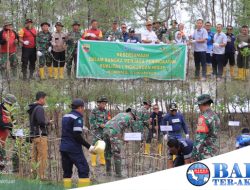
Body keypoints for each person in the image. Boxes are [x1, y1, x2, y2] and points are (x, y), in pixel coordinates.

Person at [60, 99, 95, 188]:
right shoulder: (78, 118)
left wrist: (81, 127)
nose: (83, 110)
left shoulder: (65, 116)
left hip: (63, 148)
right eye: (83, 108)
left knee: (67, 172)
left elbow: (68, 128)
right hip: (73, 148)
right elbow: (76, 135)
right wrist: (89, 146)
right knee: (84, 169)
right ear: (79, 107)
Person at [103, 108, 137, 177]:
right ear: (133, 115)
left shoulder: (120, 114)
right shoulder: (130, 118)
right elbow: (129, 131)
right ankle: (118, 174)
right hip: (113, 132)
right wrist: (126, 139)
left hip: (105, 129)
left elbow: (121, 127)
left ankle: (108, 172)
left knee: (107, 151)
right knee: (117, 153)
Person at [27, 91, 51, 179]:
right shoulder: (39, 108)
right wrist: (47, 122)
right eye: (45, 98)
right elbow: (41, 122)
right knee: (42, 157)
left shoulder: (32, 108)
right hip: (40, 136)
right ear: (41, 99)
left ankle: (33, 175)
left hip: (33, 136)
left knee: (34, 157)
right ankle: (41, 176)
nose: (45, 100)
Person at [192, 94, 220, 161]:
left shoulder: (203, 118)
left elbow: (199, 139)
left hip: (205, 153)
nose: (199, 107)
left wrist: (194, 154)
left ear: (202, 104)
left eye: (199, 105)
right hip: (215, 151)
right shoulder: (215, 116)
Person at [89, 96, 109, 167]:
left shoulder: (106, 111)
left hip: (104, 130)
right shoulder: (94, 111)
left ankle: (102, 160)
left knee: (103, 145)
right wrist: (99, 125)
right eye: (103, 103)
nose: (104, 105)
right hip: (96, 130)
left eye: (105, 104)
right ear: (99, 103)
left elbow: (108, 119)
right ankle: (93, 161)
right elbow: (91, 121)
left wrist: (106, 124)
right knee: (94, 145)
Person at [0, 94, 17, 171]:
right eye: (10, 104)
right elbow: (1, 123)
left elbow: (13, 124)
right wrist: (9, 125)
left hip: (3, 137)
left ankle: (1, 167)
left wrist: (16, 135)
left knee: (2, 151)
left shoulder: (9, 111)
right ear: (6, 102)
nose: (11, 106)